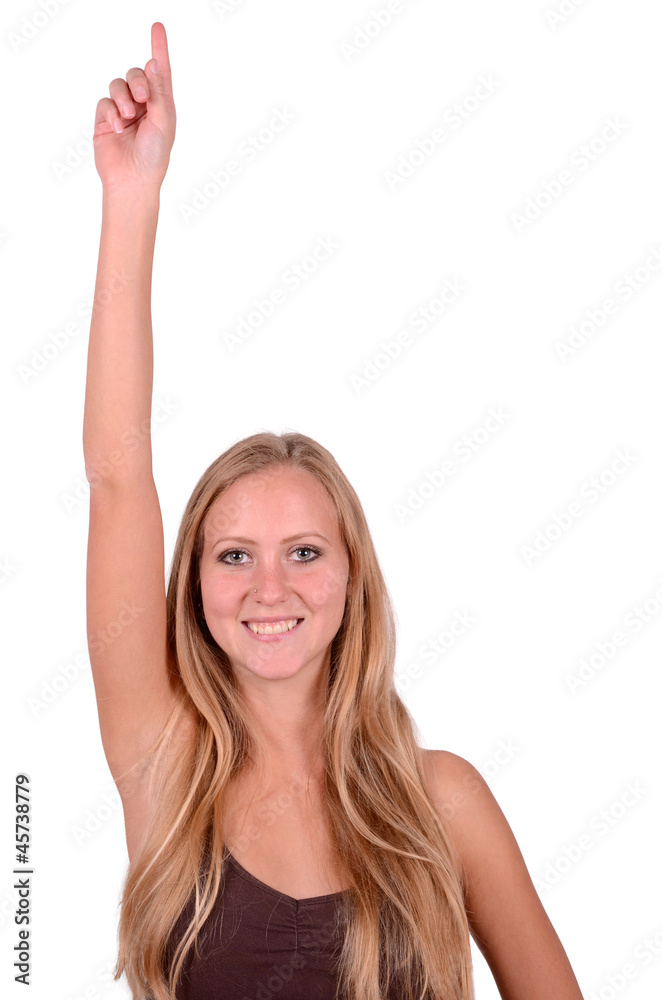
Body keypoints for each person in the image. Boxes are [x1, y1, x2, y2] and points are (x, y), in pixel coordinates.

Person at [85, 21, 585, 1000]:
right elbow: (116, 477)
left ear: (353, 579)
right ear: (192, 584)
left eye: (304, 551)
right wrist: (131, 197)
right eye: (234, 555)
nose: (268, 588)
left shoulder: (443, 801)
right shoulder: (163, 764)